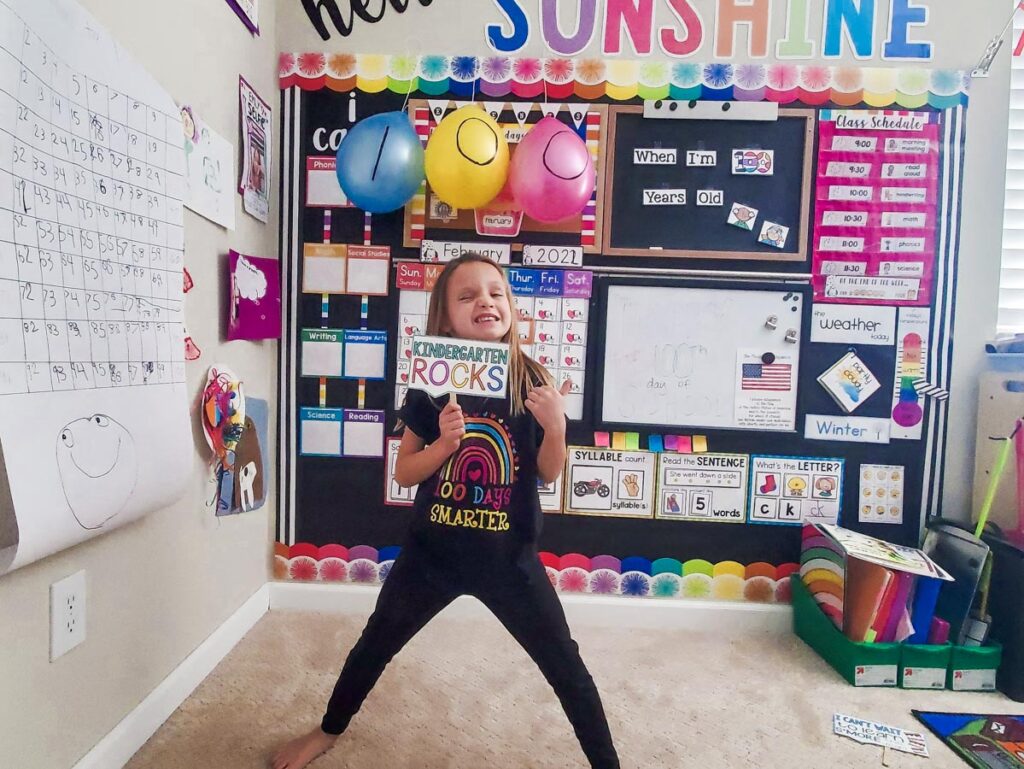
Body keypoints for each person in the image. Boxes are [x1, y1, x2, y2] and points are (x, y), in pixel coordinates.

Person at [273, 252, 619, 769]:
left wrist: (556, 429)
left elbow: (549, 473)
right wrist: (444, 444)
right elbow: (405, 472)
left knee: (566, 665)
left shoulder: (532, 379)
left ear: (512, 308)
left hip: (511, 558)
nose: (485, 301)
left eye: (496, 292)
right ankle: (327, 730)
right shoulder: (432, 385)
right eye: (468, 295)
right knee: (375, 643)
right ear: (445, 318)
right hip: (431, 555)